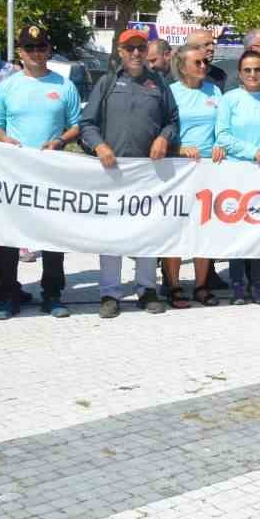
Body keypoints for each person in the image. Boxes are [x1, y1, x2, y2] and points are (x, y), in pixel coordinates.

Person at [0, 23, 81, 319]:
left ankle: (52, 293)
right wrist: (5, 140)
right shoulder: (7, 86)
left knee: (53, 234)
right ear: (20, 52)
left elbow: (78, 124)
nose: (36, 53)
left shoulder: (64, 85)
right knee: (9, 235)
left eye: (41, 48)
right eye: (30, 48)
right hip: (14, 171)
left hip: (51, 170)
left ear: (49, 50)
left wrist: (61, 140)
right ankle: (8, 293)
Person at [81, 28, 177, 317]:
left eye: (140, 48)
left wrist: (164, 137)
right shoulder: (108, 83)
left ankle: (146, 289)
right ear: (120, 52)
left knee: (147, 230)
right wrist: (99, 146)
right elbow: (87, 124)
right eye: (129, 48)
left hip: (149, 173)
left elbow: (173, 120)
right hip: (113, 172)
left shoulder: (158, 83)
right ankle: (110, 293)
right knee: (111, 233)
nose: (135, 53)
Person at [215, 48, 260, 304]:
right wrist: (253, 152)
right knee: (237, 228)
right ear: (240, 74)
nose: (253, 74)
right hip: (237, 172)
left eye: (257, 70)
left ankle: (258, 283)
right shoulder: (229, 99)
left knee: (259, 228)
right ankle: (238, 285)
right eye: (247, 70)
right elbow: (222, 136)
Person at [162, 43, 224, 308]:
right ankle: (174, 286)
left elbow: (222, 125)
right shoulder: (170, 92)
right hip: (178, 168)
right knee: (176, 228)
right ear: (182, 65)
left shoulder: (215, 90)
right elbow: (162, 128)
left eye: (205, 63)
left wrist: (221, 143)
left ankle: (201, 285)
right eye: (197, 63)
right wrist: (177, 148)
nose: (203, 67)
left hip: (210, 168)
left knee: (204, 227)